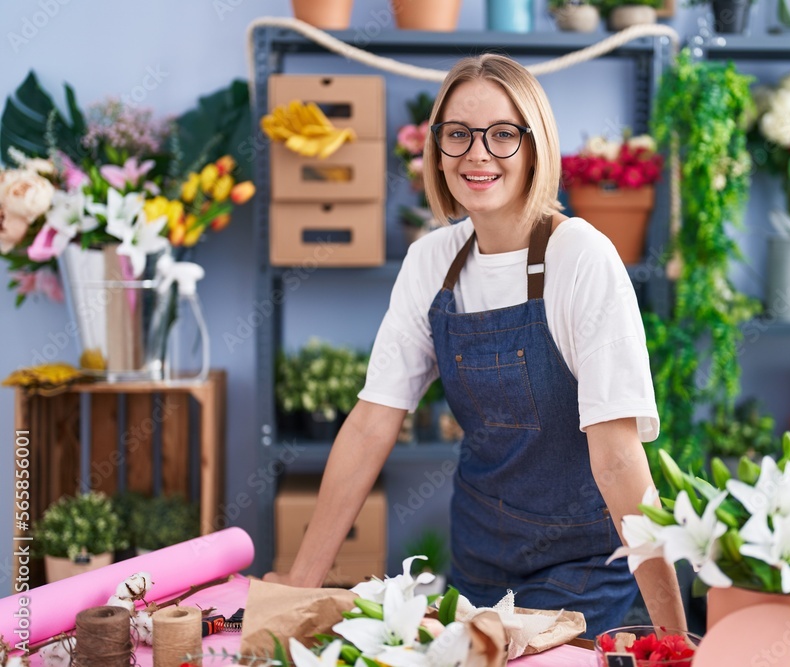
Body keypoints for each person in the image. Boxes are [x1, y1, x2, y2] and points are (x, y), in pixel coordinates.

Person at [265, 53, 686, 637]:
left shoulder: (580, 258)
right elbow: (369, 426)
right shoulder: (432, 262)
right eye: (458, 134)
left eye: (502, 135)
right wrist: (302, 586)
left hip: (583, 570)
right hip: (479, 565)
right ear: (437, 148)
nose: (477, 154)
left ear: (536, 146)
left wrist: (672, 640)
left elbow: (617, 458)